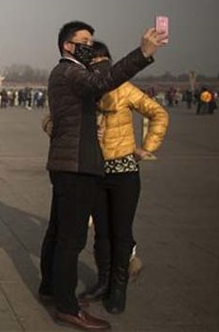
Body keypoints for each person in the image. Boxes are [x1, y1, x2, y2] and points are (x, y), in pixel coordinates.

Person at [39, 21, 167, 331]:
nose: (90, 46)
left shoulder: (65, 74)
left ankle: (52, 289)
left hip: (69, 163)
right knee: (71, 240)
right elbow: (103, 82)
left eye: (92, 41)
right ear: (68, 46)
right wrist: (143, 53)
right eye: (84, 41)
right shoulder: (70, 72)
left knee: (58, 232)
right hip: (77, 166)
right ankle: (68, 308)